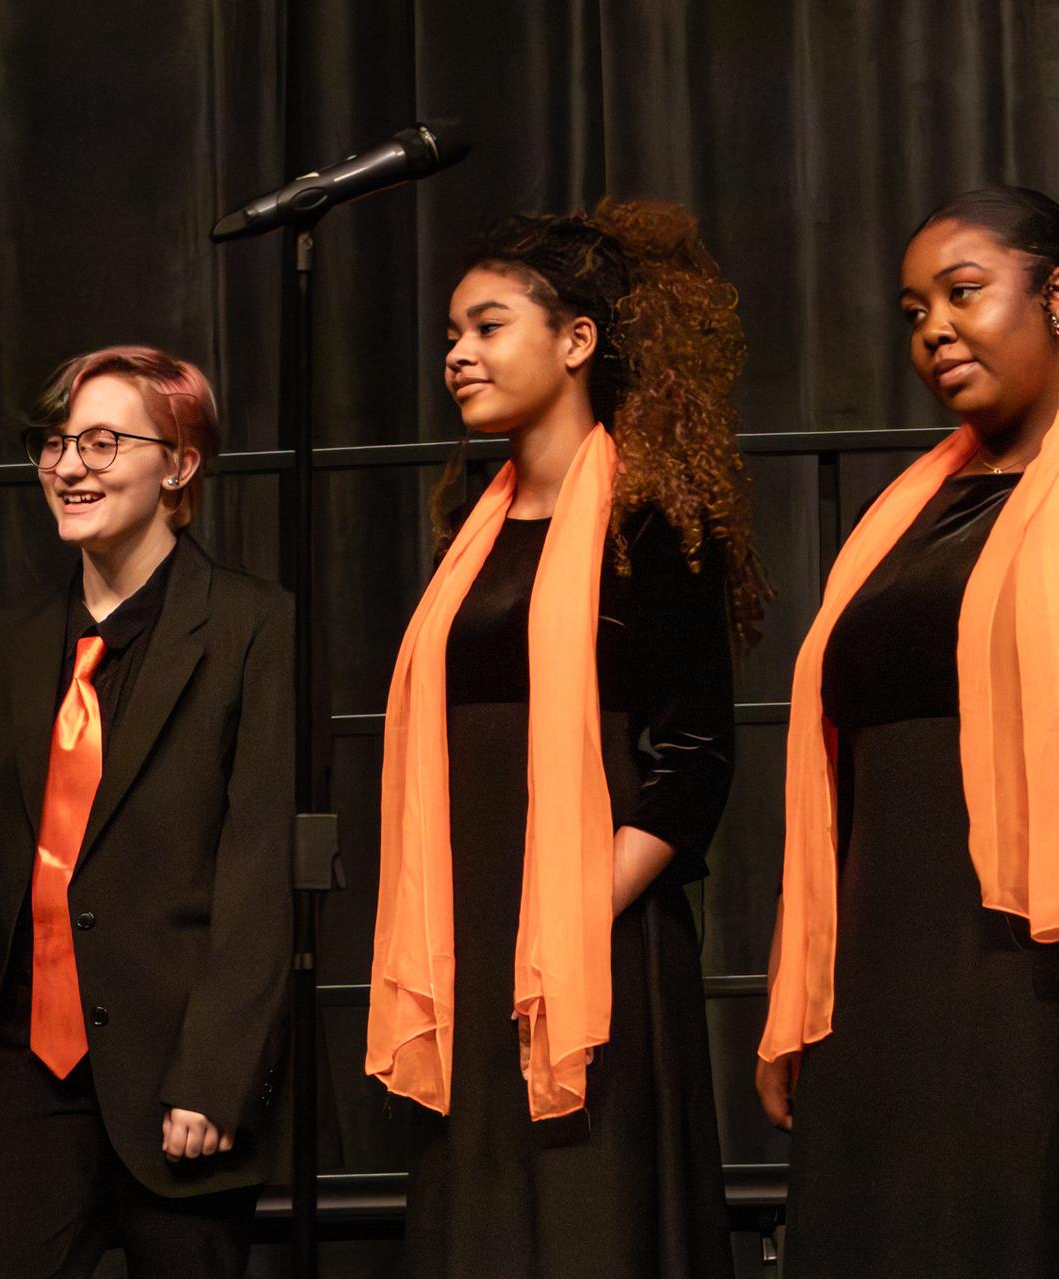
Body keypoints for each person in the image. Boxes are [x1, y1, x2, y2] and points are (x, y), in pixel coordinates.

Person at [368, 200, 767, 1277]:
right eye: (451, 335)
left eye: (487, 326)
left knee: (594, 1221)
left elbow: (692, 768)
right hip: (469, 940)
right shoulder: (472, 530)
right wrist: (489, 931)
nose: (458, 354)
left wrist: (562, 915)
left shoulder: (650, 524)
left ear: (577, 340)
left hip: (596, 952)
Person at [757, 186, 1059, 1277]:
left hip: (1043, 964)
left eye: (963, 294)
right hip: (882, 957)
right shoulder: (909, 510)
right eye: (915, 312)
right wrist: (799, 988)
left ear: (1057, 295)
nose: (934, 330)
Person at [0, 345, 294, 1278]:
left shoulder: (253, 627)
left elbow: (262, 870)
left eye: (105, 442)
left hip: (177, 1074)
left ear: (181, 463)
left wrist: (214, 1074)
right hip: (28, 1075)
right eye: (56, 443)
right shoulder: (16, 639)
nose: (70, 466)